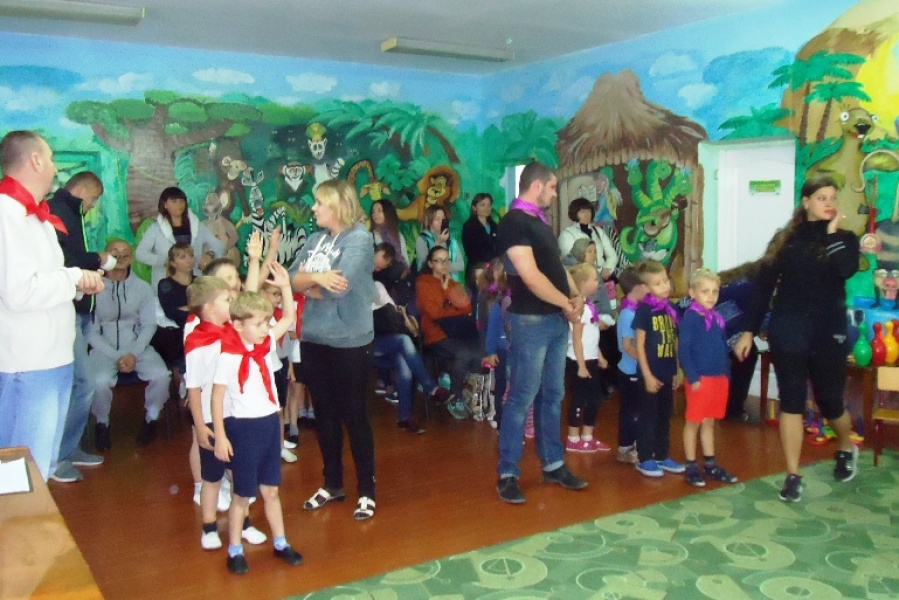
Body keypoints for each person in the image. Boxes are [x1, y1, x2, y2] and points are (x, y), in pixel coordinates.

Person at [734, 175, 860, 503]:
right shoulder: (785, 240)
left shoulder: (845, 238)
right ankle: (793, 474)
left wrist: (832, 234)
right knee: (791, 399)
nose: (829, 203)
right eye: (822, 198)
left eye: (832, 197)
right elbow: (762, 288)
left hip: (828, 329)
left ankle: (846, 446)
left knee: (830, 401)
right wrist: (748, 330)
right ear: (806, 202)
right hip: (789, 327)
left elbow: (846, 270)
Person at [0, 130, 104, 481]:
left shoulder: (37, 217)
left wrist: (78, 284)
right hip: (28, 365)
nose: (55, 167)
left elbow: (49, 280)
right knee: (19, 476)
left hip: (54, 358)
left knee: (38, 470)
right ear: (35, 160)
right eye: (51, 158)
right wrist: (73, 277)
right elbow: (18, 293)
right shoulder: (6, 212)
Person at [495, 160, 588, 504]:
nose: (553, 193)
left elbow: (556, 267)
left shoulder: (539, 222)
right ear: (536, 186)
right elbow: (531, 277)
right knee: (521, 397)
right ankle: (508, 473)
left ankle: (553, 464)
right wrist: (566, 303)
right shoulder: (513, 223)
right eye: (551, 187)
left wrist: (575, 296)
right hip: (530, 322)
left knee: (553, 394)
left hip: (555, 321)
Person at [291, 179, 378, 521]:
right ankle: (332, 483)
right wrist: (317, 279)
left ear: (338, 205)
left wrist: (310, 283)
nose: (314, 208)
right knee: (324, 415)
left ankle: (367, 490)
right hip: (314, 338)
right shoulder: (315, 240)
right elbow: (291, 278)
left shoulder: (359, 238)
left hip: (350, 340)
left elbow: (339, 287)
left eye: (319, 202)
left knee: (355, 416)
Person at [212, 276, 302, 575]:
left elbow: (288, 317)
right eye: (259, 324)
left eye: (266, 323)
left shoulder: (265, 346)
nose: (266, 328)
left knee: (271, 490)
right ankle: (235, 549)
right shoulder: (229, 356)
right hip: (244, 428)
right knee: (242, 495)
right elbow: (217, 397)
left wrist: (286, 287)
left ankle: (281, 542)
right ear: (238, 325)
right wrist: (221, 436)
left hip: (269, 425)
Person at [183, 276, 266, 551]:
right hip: (211, 419)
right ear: (209, 307)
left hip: (238, 415)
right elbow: (194, 389)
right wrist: (200, 426)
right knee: (212, 476)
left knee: (239, 474)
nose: (233, 303)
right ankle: (208, 526)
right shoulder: (197, 342)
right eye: (227, 300)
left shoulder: (234, 333)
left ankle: (244, 523)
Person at [47, 171, 113, 483]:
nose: (93, 204)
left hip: (79, 310)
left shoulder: (70, 213)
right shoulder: (57, 211)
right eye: (94, 197)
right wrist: (96, 258)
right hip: (65, 311)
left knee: (77, 384)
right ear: (83, 189)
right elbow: (64, 260)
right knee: (83, 383)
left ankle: (68, 448)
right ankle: (57, 457)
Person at [88, 239, 171, 449]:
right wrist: (117, 356)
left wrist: (133, 354)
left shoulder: (142, 288)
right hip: (104, 349)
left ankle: (151, 418)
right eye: (114, 253)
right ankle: (102, 423)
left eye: (126, 253)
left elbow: (149, 325)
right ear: (105, 257)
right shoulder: (94, 288)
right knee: (98, 381)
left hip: (137, 347)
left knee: (162, 375)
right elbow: (90, 331)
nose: (120, 257)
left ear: (131, 258)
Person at [679, 268, 738, 487]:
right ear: (692, 293)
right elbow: (684, 351)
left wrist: (726, 374)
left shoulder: (717, 319)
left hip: (718, 379)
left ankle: (710, 464)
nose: (711, 296)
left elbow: (722, 347)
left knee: (709, 422)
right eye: (705, 291)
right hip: (700, 380)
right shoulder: (690, 318)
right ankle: (691, 466)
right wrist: (693, 378)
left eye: (715, 291)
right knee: (693, 422)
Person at [372, 281, 452, 433]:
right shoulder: (350, 290)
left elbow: (392, 310)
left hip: (386, 338)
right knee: (403, 340)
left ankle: (404, 417)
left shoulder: (377, 285)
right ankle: (431, 387)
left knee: (403, 360)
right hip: (364, 344)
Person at [416, 245, 483, 418]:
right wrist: (451, 304)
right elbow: (434, 313)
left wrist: (447, 290)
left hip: (457, 331)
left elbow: (466, 307)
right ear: (430, 264)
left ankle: (471, 392)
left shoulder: (452, 283)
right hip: (436, 333)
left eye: (447, 260)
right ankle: (455, 396)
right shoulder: (423, 283)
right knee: (464, 353)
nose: (444, 264)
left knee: (479, 350)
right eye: (439, 261)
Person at [633, 260, 684, 478]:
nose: (664, 286)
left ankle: (662, 455)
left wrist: (677, 370)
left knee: (665, 416)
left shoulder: (671, 309)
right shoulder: (644, 311)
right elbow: (639, 346)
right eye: (657, 283)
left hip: (667, 371)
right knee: (648, 416)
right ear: (646, 288)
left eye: (665, 280)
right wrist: (647, 375)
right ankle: (645, 458)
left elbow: (675, 342)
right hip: (650, 374)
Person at [136, 186, 224, 289]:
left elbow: (218, 245)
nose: (179, 205)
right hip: (166, 285)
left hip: (194, 283)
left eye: (182, 201)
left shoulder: (196, 226)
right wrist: (164, 260)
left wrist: (210, 255)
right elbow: (140, 253)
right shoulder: (156, 229)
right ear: (165, 204)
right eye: (174, 201)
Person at [565, 263, 610, 453]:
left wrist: (599, 355)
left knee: (595, 399)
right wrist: (581, 366)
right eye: (594, 279)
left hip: (590, 359)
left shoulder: (590, 306)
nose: (597, 282)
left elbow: (591, 336)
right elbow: (576, 339)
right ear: (582, 283)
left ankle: (587, 436)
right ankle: (573, 438)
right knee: (579, 398)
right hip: (578, 360)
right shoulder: (579, 308)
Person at [717, 260, 763, 421]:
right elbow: (755, 314)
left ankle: (730, 405)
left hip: (712, 321)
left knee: (745, 352)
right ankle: (732, 408)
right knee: (747, 353)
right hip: (713, 323)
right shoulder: (748, 287)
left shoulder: (739, 281)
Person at [615, 267, 647, 465]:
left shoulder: (638, 310)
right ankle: (625, 447)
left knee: (638, 409)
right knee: (631, 411)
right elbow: (627, 346)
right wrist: (645, 362)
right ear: (637, 287)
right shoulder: (628, 314)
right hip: (630, 370)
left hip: (637, 369)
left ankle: (634, 444)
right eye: (646, 285)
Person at [558, 197, 617, 282]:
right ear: (574, 213)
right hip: (582, 279)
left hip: (605, 276)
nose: (586, 215)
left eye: (589, 211)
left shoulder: (598, 231)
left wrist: (607, 269)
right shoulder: (567, 234)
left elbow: (611, 254)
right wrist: (598, 272)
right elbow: (572, 261)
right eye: (582, 212)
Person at [415, 204, 464, 282]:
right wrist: (438, 243)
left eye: (443, 218)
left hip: (450, 283)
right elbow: (425, 264)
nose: (441, 222)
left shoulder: (452, 241)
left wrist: (442, 267)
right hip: (429, 283)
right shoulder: (422, 239)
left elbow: (461, 265)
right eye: (437, 219)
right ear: (429, 222)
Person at [462, 192, 498, 287]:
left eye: (489, 205)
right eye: (482, 205)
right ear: (474, 208)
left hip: (493, 270)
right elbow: (471, 252)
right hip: (476, 270)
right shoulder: (469, 226)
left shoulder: (494, 226)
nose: (487, 208)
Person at [370, 199, 410, 269]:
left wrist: (406, 270)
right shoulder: (370, 236)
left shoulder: (396, 233)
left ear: (387, 213)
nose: (375, 214)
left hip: (399, 271)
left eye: (379, 210)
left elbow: (404, 255)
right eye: (373, 212)